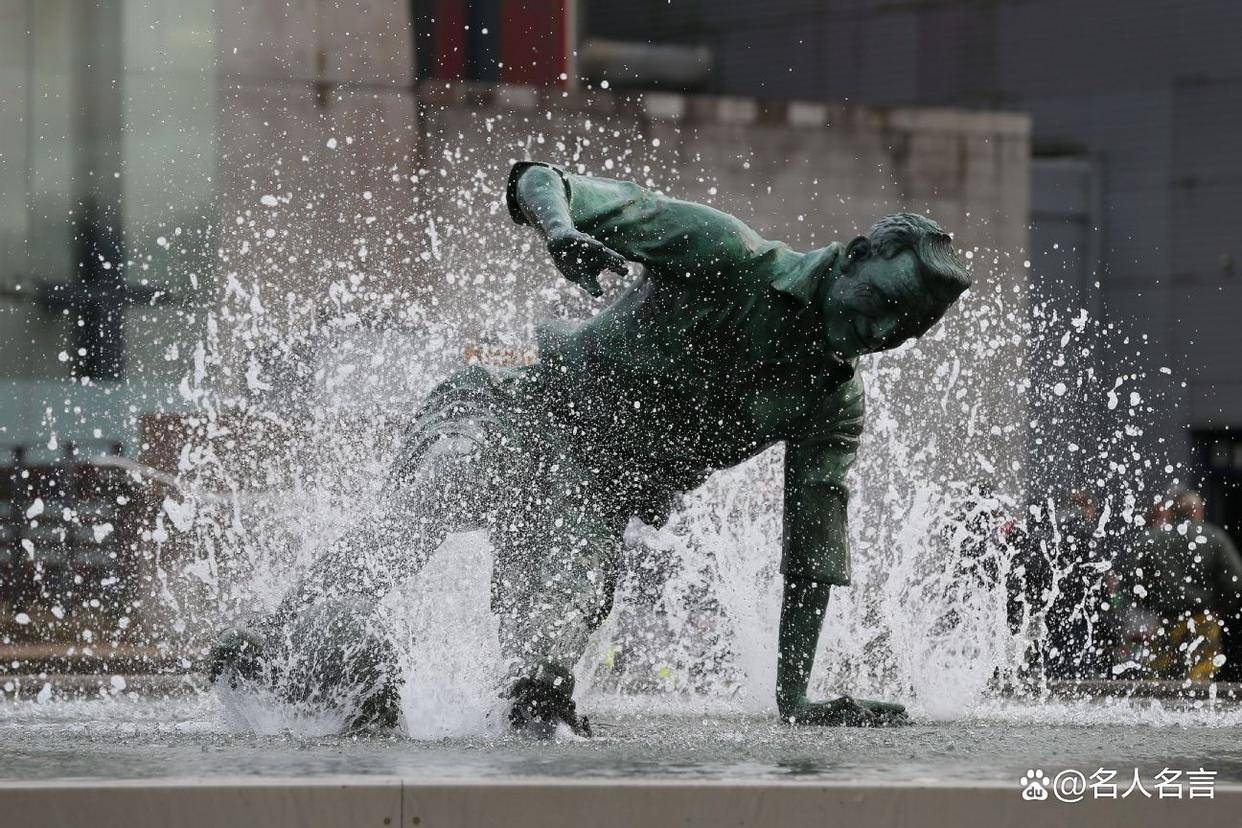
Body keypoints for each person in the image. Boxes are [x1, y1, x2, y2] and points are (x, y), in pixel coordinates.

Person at [209, 161, 971, 734]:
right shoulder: (725, 252)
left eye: (904, 330)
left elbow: (811, 555)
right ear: (858, 253)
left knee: (541, 682)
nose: (881, 331)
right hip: (516, 409)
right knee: (440, 490)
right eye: (883, 302)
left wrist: (794, 699)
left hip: (591, 495)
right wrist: (560, 232)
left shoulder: (830, 404)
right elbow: (540, 180)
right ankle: (282, 650)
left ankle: (483, 731)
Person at [1116, 488, 1242, 681]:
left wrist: (1148, 602)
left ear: (1173, 511)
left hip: (1165, 621)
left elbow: (1129, 580)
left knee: (1161, 681)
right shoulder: (1216, 538)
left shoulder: (1152, 538)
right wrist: (1221, 608)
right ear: (1198, 510)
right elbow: (1236, 582)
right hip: (1203, 621)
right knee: (1200, 680)